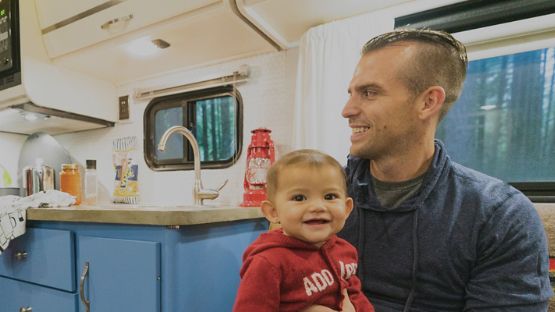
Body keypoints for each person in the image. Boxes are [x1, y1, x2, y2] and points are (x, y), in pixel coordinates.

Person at [338, 28, 553, 312]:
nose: (347, 109)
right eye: (351, 93)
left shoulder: (501, 216)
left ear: (428, 102)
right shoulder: (322, 194)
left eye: (369, 92)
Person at [233, 149, 375, 312]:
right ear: (273, 212)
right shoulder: (268, 264)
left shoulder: (345, 251)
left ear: (347, 208)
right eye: (299, 198)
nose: (317, 207)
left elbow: (355, 296)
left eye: (329, 197)